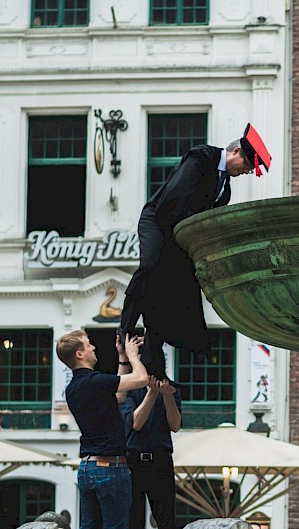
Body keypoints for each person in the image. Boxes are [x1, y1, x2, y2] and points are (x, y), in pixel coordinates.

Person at [120, 124, 271, 381]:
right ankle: (124, 328)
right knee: (151, 267)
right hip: (159, 222)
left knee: (175, 293)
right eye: (246, 166)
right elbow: (174, 199)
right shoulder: (202, 158)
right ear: (236, 152)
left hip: (181, 234)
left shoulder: (226, 188)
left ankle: (154, 363)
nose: (245, 172)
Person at [56, 330, 149, 529]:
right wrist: (133, 355)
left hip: (87, 468)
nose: (94, 347)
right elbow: (142, 378)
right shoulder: (95, 381)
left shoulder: (73, 388)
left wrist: (122, 360)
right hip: (110, 467)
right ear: (80, 354)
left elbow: (118, 396)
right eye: (88, 345)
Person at [119, 374, 182, 529]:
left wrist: (168, 396)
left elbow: (175, 425)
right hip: (133, 461)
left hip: (161, 460)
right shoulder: (131, 389)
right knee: (133, 524)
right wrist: (153, 392)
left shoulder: (171, 388)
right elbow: (136, 423)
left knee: (167, 522)